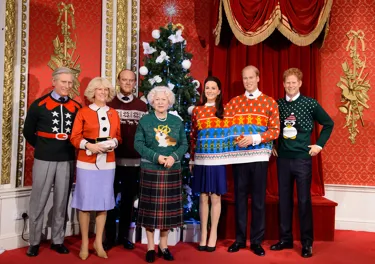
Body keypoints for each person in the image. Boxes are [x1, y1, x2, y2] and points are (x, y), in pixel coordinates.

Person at [270, 68, 334, 258]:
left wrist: (319, 146)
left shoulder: (310, 104)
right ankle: (285, 239)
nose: (290, 85)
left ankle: (307, 243)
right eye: (287, 82)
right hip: (283, 159)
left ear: (300, 83)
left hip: (302, 160)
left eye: (293, 82)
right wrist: (273, 144)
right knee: (284, 200)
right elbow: (271, 126)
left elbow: (328, 123)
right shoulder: (278, 104)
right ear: (283, 84)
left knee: (304, 201)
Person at [23, 67, 81, 257]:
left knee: (61, 201)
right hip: (44, 158)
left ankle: (58, 239)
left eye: (70, 83)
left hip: (66, 159)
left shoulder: (76, 107)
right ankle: (34, 241)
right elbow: (28, 132)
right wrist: (44, 146)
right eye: (63, 82)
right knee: (38, 201)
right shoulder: (39, 105)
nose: (67, 86)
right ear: (54, 81)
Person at [226, 65, 280, 256]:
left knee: (258, 200)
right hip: (239, 157)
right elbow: (227, 128)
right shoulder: (233, 103)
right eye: (245, 78)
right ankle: (240, 240)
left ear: (258, 78)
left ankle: (256, 241)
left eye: (251, 78)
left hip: (259, 157)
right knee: (239, 198)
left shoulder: (269, 103)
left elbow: (274, 130)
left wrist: (254, 139)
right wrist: (238, 139)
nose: (248, 81)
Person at [134, 86, 188, 263]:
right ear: (151, 101)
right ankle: (150, 247)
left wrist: (173, 157)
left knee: (166, 213)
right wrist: (156, 157)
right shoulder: (145, 120)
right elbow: (138, 144)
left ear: (169, 102)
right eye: (156, 99)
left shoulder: (176, 121)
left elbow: (184, 144)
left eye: (163, 99)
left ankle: (163, 247)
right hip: (151, 170)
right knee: (150, 212)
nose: (160, 102)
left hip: (171, 170)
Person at [70, 77, 121, 260]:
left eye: (106, 90)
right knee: (85, 203)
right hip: (87, 161)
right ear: (93, 92)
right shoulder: (83, 112)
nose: (103, 93)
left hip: (108, 162)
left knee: (103, 203)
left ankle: (98, 242)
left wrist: (114, 142)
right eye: (99, 90)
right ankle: (84, 242)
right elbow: (74, 137)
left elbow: (118, 136)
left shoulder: (114, 113)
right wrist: (89, 146)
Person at [104, 69, 148, 250]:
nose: (128, 83)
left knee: (128, 200)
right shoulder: (109, 103)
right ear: (118, 81)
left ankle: (123, 236)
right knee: (109, 199)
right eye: (124, 80)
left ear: (135, 82)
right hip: (111, 161)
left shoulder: (142, 106)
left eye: (131, 80)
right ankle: (109, 237)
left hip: (133, 161)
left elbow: (145, 134)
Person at [189, 76, 227, 252]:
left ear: (219, 91)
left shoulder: (225, 110)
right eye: (207, 88)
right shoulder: (197, 110)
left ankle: (214, 234)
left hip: (218, 159)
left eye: (213, 88)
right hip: (202, 158)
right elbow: (193, 136)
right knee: (203, 196)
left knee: (215, 196)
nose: (210, 91)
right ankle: (203, 234)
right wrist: (192, 158)